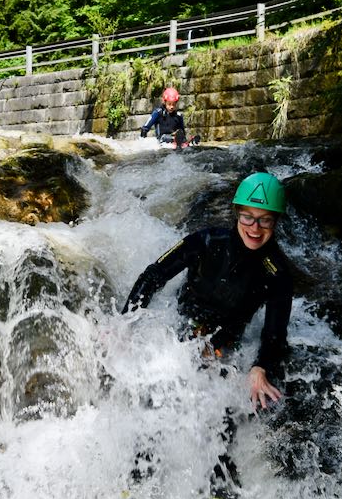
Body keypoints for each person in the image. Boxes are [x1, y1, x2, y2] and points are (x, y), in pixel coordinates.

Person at [121, 172, 293, 411]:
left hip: (224, 342)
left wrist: (260, 367)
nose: (255, 228)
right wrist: (124, 322)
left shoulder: (277, 273)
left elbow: (275, 334)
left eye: (265, 220)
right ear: (236, 214)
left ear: (276, 221)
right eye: (247, 217)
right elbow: (154, 275)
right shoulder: (206, 240)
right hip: (179, 323)